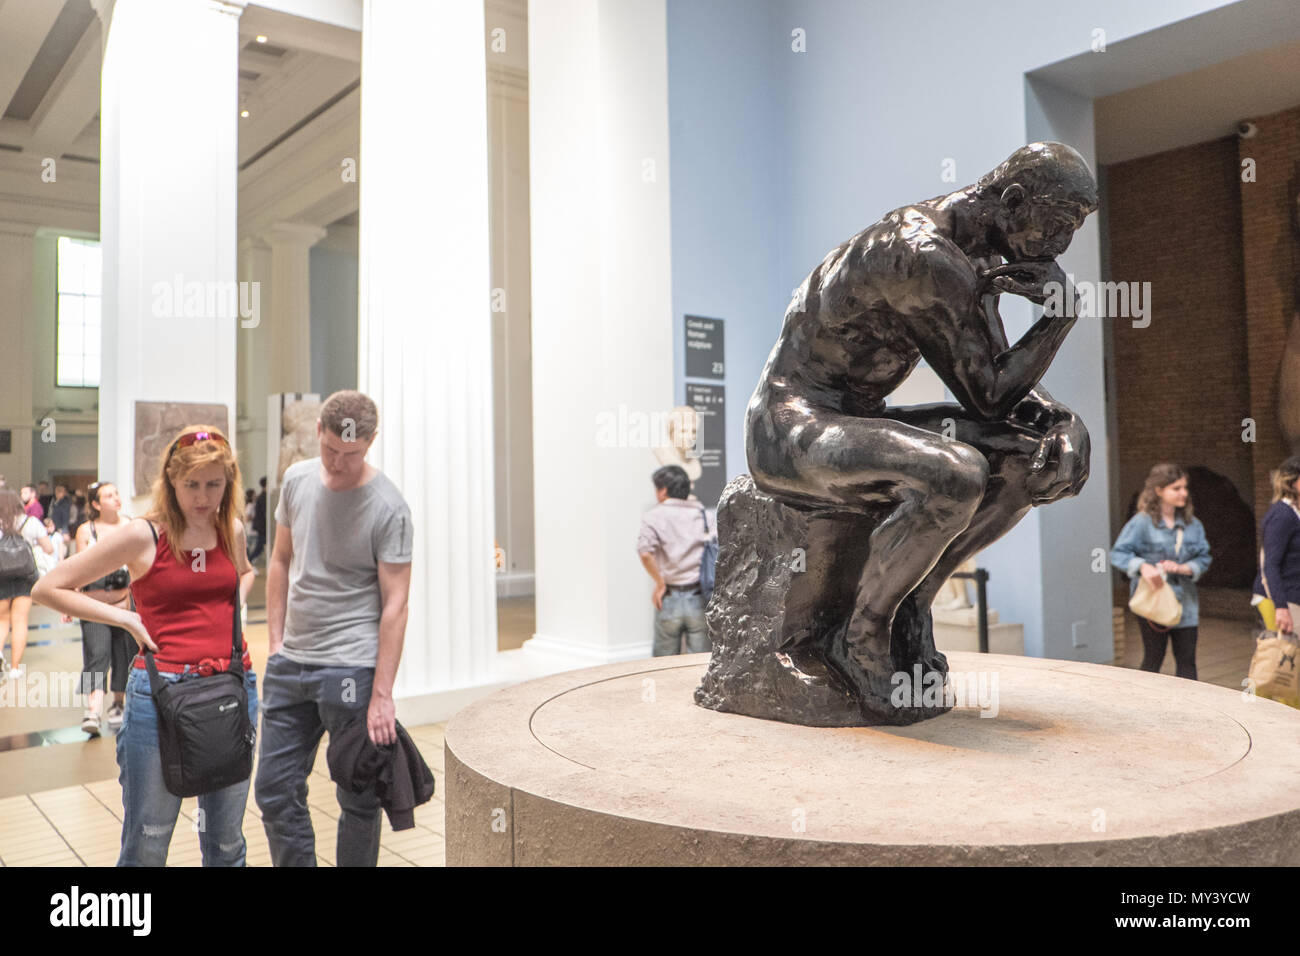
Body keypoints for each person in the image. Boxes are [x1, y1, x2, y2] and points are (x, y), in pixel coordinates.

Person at [745, 142, 1095, 699]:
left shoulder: (975, 255)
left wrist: (1061, 421)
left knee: (1032, 455)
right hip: (792, 428)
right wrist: (1059, 319)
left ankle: (911, 604)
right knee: (955, 472)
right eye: (1059, 224)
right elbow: (988, 396)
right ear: (1013, 199)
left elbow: (993, 370)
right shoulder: (921, 253)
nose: (1062, 245)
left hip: (855, 420)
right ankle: (861, 634)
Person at [33, 425, 258, 866]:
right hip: (160, 694)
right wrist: (123, 615)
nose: (202, 496)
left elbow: (245, 572)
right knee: (149, 842)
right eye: (191, 484)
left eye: (214, 484)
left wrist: (234, 606)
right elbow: (49, 586)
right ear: (170, 481)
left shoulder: (229, 529)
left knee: (226, 842)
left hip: (231, 688)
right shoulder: (145, 535)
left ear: (228, 482)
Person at [255, 390, 413, 867]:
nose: (340, 463)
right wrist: (276, 642)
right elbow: (280, 561)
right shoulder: (297, 481)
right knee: (274, 793)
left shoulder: (389, 507)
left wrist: (382, 693)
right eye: (331, 450)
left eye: (353, 454)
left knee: (358, 798)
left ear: (371, 443)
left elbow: (396, 604)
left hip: (351, 670)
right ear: (318, 433)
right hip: (291, 667)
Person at [1110, 463, 1212, 680]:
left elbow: (1204, 558)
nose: (1183, 493)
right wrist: (1143, 567)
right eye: (1176, 488)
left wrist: (1185, 568)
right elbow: (1118, 554)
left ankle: (1189, 710)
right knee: (1153, 659)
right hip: (1152, 602)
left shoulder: (1193, 525)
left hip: (1186, 603)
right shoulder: (1141, 523)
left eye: (1184, 488)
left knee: (1187, 664)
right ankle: (1144, 707)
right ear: (1159, 491)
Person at [72, 481, 136, 736]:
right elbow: (78, 569)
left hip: (124, 604)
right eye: (108, 496)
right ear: (96, 504)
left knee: (124, 654)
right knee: (95, 655)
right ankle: (92, 709)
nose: (116, 498)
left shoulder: (129, 525)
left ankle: (118, 704)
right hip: (93, 605)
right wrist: (72, 598)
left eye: (116, 493)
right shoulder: (86, 531)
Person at [637, 465, 715, 656]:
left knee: (663, 664)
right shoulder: (706, 515)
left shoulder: (653, 516)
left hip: (669, 597)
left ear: (663, 490)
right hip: (700, 597)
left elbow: (645, 553)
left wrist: (660, 582)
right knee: (700, 662)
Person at [0, 489, 54, 680]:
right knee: (20, 620)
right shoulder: (31, 522)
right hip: (25, 575)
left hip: (1, 576)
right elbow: (49, 548)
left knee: (2, 620)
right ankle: (15, 668)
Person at [1253, 456, 1300, 634]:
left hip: (1293, 595)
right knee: (1287, 655)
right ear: (1293, 482)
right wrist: (1280, 606)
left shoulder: (1295, 513)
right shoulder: (1282, 515)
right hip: (1281, 598)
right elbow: (1270, 564)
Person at [249, 477, 267, 564]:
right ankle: (248, 561)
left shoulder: (262, 497)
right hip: (262, 527)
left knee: (259, 547)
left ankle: (248, 560)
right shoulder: (264, 497)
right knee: (259, 547)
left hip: (261, 527)